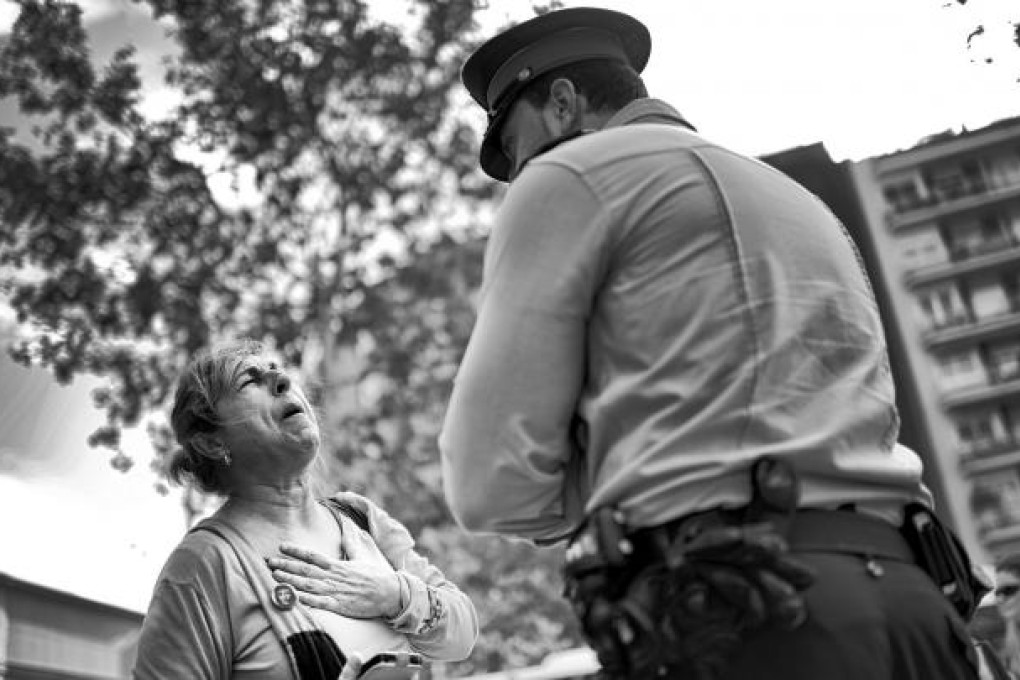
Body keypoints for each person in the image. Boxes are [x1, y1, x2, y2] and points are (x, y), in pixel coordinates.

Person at [439, 6, 981, 680]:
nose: (520, 176)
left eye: (516, 151)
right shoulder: (803, 202)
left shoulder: (571, 174)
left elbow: (485, 482)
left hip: (754, 612)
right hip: (914, 603)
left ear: (561, 104)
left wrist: (606, 469)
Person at [134, 340, 477, 679]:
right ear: (211, 442)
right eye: (250, 381)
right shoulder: (201, 566)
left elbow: (462, 634)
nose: (282, 381)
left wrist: (394, 595)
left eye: (278, 371)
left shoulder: (360, 519)